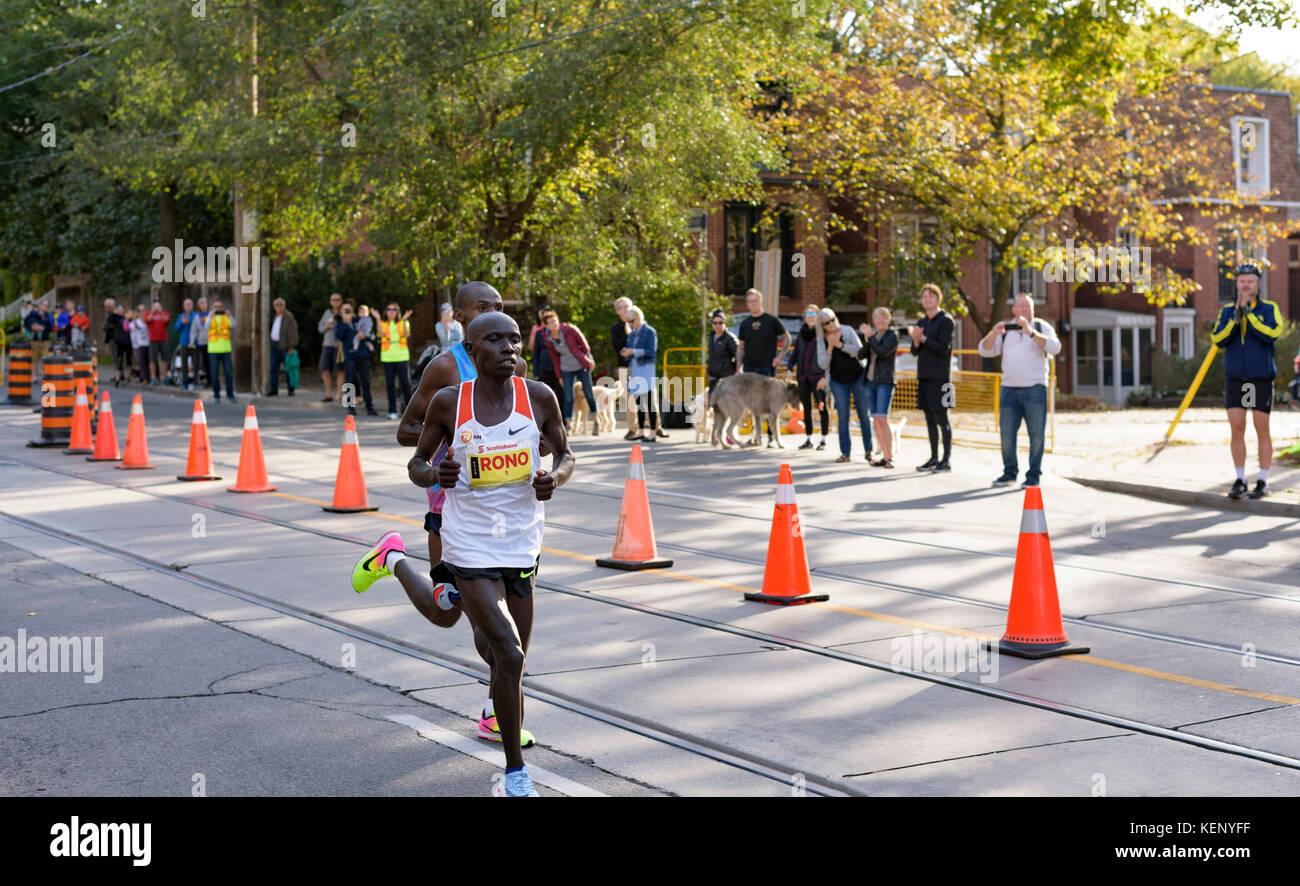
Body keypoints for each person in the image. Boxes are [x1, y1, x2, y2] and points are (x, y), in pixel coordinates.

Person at [355, 312, 572, 797]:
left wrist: (552, 478)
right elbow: (414, 461)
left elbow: (566, 454)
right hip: (468, 545)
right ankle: (516, 776)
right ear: (472, 352)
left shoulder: (538, 397)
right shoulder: (451, 403)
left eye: (514, 340)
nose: (508, 348)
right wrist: (435, 475)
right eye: (494, 340)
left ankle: (394, 561)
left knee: (501, 659)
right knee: (510, 653)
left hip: (522, 544)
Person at [364, 282, 536, 752]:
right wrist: (451, 446)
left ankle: (494, 713)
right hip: (451, 510)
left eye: (501, 311)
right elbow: (407, 432)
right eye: (483, 310)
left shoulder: (515, 367)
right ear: (460, 319)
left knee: (503, 634)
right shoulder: (445, 366)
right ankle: (394, 558)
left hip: (508, 517)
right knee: (449, 614)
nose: (495, 319)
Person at [1211, 262, 1283, 499]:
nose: (1245, 285)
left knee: (1261, 427)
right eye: (1241, 281)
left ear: (1257, 284)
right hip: (1236, 379)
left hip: (1258, 379)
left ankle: (1262, 480)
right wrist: (1236, 318)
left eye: (1249, 281)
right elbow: (1218, 339)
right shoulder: (1227, 311)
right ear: (1236, 284)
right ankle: (1240, 479)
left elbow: (1271, 334)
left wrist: (1249, 316)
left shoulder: (1269, 308)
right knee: (1237, 427)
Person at [979, 294, 1061, 488]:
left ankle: (1033, 476)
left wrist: (1031, 332)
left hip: (1035, 389)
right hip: (1009, 390)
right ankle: (1009, 473)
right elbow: (985, 350)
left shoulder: (1041, 327)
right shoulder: (1006, 330)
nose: (1024, 309)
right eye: (1020, 306)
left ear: (1033, 310)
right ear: (1014, 309)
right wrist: (993, 333)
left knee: (1036, 435)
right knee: (1006, 434)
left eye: (1028, 306)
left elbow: (1055, 347)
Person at [816, 308, 871, 463]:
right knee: (843, 416)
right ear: (822, 325)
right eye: (827, 322)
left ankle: (869, 450)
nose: (831, 324)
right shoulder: (821, 339)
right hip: (837, 381)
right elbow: (822, 364)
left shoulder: (847, 331)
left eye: (833, 319)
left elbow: (860, 352)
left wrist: (840, 345)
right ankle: (845, 453)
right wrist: (830, 347)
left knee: (863, 415)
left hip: (857, 377)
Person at [911, 283, 956, 472]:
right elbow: (915, 351)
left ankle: (946, 461)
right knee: (929, 419)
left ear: (938, 299)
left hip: (941, 378)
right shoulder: (922, 322)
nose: (926, 299)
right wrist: (916, 340)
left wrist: (923, 339)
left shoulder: (946, 320)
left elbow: (943, 348)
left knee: (942, 418)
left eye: (930, 296)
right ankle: (933, 458)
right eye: (924, 297)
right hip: (924, 377)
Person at [541, 309, 598, 434]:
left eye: (555, 320)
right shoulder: (548, 339)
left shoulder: (569, 330)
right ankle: (569, 425)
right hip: (566, 369)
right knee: (568, 397)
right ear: (546, 326)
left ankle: (595, 420)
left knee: (589, 393)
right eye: (550, 322)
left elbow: (584, 345)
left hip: (581, 365)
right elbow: (555, 359)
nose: (554, 323)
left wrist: (589, 359)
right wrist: (559, 375)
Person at [861, 307, 899, 468]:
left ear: (888, 320)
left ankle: (889, 457)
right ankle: (883, 455)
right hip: (870, 381)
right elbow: (862, 354)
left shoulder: (892, 335)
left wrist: (872, 338)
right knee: (875, 420)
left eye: (883, 318)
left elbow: (883, 352)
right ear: (874, 320)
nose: (880, 321)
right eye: (877, 318)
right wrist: (867, 338)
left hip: (885, 381)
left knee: (882, 417)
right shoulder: (873, 336)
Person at [788, 305, 828, 450]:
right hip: (803, 376)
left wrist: (825, 375)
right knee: (806, 407)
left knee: (822, 406)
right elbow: (795, 353)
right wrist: (789, 367)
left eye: (813, 313)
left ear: (818, 316)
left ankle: (823, 439)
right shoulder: (801, 334)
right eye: (807, 314)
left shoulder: (823, 333)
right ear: (804, 317)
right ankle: (809, 438)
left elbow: (828, 355)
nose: (810, 316)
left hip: (818, 376)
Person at [622, 306, 660, 443]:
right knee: (638, 402)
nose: (630, 324)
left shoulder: (650, 332)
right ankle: (640, 431)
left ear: (639, 318)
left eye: (632, 321)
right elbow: (630, 352)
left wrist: (634, 351)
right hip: (635, 369)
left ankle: (653, 432)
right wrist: (626, 352)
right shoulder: (632, 334)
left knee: (649, 401)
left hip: (646, 369)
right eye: (628, 322)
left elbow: (651, 351)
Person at [736, 288, 790, 377]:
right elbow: (741, 347)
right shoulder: (744, 324)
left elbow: (786, 338)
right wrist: (738, 368)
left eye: (755, 300)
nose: (753, 303)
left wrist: (780, 357)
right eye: (750, 301)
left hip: (767, 367)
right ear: (747, 304)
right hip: (748, 368)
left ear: (761, 301)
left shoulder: (772, 320)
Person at [335, 301, 376, 415]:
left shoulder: (359, 320)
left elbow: (369, 333)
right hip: (350, 356)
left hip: (363, 355)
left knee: (366, 381)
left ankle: (370, 406)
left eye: (349, 309)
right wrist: (344, 321)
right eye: (345, 310)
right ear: (341, 311)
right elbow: (339, 336)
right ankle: (350, 407)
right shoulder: (339, 323)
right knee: (350, 380)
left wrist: (365, 335)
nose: (347, 312)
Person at [379, 302, 414, 420]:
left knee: (405, 384)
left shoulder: (403, 322)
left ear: (397, 311)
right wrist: (378, 319)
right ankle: (392, 411)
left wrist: (404, 320)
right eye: (389, 309)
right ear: (386, 311)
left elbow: (406, 334)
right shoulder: (382, 323)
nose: (391, 311)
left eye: (394, 309)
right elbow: (380, 334)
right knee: (390, 385)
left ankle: (409, 411)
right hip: (387, 357)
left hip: (402, 357)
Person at [612, 298, 638, 439]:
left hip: (640, 366)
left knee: (648, 396)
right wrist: (627, 334)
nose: (625, 309)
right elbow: (617, 347)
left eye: (627, 306)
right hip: (624, 366)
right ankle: (632, 429)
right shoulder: (616, 327)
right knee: (629, 399)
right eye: (622, 307)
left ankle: (656, 427)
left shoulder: (639, 323)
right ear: (618, 311)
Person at [529, 304, 563, 405]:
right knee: (545, 396)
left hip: (559, 370)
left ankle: (563, 420)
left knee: (561, 396)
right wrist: (536, 373)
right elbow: (535, 353)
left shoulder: (561, 332)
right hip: (544, 369)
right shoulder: (539, 333)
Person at [205, 298, 236, 402]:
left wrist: (229, 315)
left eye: (220, 307)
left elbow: (233, 324)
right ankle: (216, 395)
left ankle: (230, 395)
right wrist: (211, 316)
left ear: (223, 308)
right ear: (212, 308)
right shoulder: (210, 317)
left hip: (225, 349)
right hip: (213, 349)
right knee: (214, 373)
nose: (218, 309)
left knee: (228, 373)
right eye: (216, 307)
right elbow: (207, 326)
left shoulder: (225, 317)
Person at [268, 297, 299, 397]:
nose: (279, 307)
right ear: (274, 307)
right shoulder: (274, 317)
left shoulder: (288, 317)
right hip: (275, 345)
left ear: (284, 306)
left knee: (288, 368)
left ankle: (291, 389)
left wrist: (292, 346)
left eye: (281, 304)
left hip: (285, 346)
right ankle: (273, 389)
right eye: (277, 305)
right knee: (273, 368)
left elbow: (293, 332)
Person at [318, 292, 343, 402]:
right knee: (325, 369)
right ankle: (328, 394)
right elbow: (320, 328)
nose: (335, 302)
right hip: (327, 345)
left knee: (340, 370)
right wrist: (327, 327)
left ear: (341, 301)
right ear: (330, 302)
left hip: (340, 346)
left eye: (338, 300)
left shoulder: (344, 312)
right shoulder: (327, 313)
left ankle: (339, 394)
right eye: (333, 300)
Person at [145, 299, 170, 385]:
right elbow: (148, 320)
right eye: (155, 305)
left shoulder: (165, 313)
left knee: (164, 359)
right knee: (152, 360)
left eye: (158, 305)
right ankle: (153, 378)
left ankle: (164, 377)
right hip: (153, 340)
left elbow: (166, 320)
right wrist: (153, 312)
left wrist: (160, 312)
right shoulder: (148, 313)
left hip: (163, 339)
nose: (156, 307)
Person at [174, 298, 198, 389]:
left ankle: (195, 382)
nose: (188, 307)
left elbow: (198, 326)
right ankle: (185, 382)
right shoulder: (181, 316)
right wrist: (181, 323)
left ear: (192, 306)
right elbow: (176, 328)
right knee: (184, 363)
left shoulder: (195, 315)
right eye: (186, 305)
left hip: (194, 342)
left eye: (190, 305)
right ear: (184, 306)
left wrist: (189, 321)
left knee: (195, 363)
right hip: (184, 342)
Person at [23, 299, 52, 373]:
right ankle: (34, 376)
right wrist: (32, 326)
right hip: (34, 340)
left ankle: (46, 375)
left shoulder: (48, 316)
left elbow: (51, 328)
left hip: (45, 340)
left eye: (47, 306)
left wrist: (43, 328)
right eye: (44, 305)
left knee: (45, 359)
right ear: (40, 306)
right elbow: (26, 324)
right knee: (34, 359)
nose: (46, 307)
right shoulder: (33, 314)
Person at [190, 297, 210, 388]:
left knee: (212, 362)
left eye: (204, 303)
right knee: (205, 362)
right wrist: (192, 341)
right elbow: (194, 330)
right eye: (201, 304)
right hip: (202, 342)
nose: (203, 305)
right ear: (198, 306)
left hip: (212, 342)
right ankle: (208, 381)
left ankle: (212, 380)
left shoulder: (211, 314)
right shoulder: (197, 317)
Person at [130, 304, 152, 384]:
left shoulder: (148, 320)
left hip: (148, 344)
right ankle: (144, 378)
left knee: (149, 362)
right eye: (140, 311)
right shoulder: (136, 322)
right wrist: (134, 318)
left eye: (144, 310)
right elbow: (136, 327)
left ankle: (150, 378)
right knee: (142, 362)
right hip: (140, 344)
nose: (142, 312)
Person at [112, 305, 133, 386]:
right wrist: (115, 313)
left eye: (121, 309)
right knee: (120, 359)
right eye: (118, 309)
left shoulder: (129, 319)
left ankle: (128, 377)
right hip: (120, 342)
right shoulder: (116, 318)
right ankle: (117, 378)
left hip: (128, 342)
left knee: (128, 360)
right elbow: (111, 320)